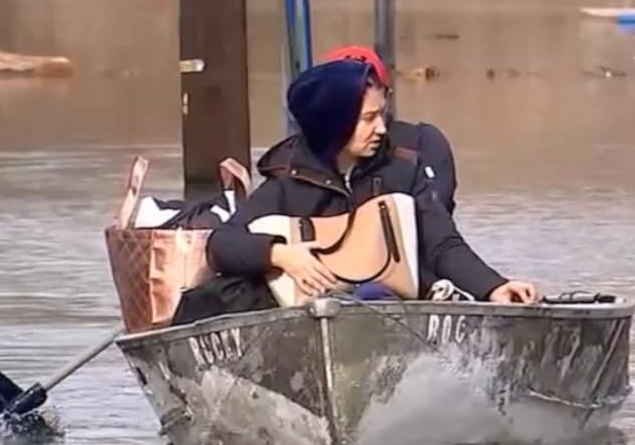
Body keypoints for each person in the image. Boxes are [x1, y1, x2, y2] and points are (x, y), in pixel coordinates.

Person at [173, 59, 536, 325]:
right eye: (368, 119)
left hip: (390, 314)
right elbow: (220, 245)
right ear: (334, 122)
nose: (381, 128)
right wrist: (281, 255)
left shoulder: (401, 175)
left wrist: (494, 287)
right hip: (304, 323)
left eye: (382, 115)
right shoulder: (286, 182)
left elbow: (444, 246)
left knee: (374, 298)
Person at [318, 45, 459, 215]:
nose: (380, 128)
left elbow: (437, 222)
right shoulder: (294, 163)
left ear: (385, 96)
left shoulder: (422, 146)